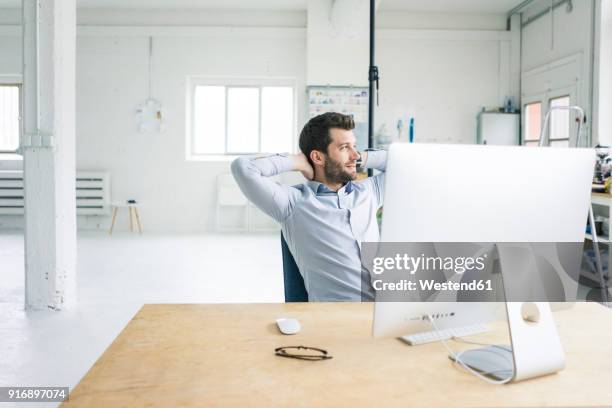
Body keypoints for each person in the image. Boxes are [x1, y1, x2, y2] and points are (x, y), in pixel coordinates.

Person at [231, 112, 387, 301]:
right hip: (338, 318)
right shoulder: (292, 203)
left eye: (354, 147)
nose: (355, 155)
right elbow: (243, 168)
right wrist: (298, 162)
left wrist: (360, 156)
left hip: (386, 308)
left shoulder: (368, 191)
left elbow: (402, 164)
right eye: (345, 147)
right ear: (318, 157)